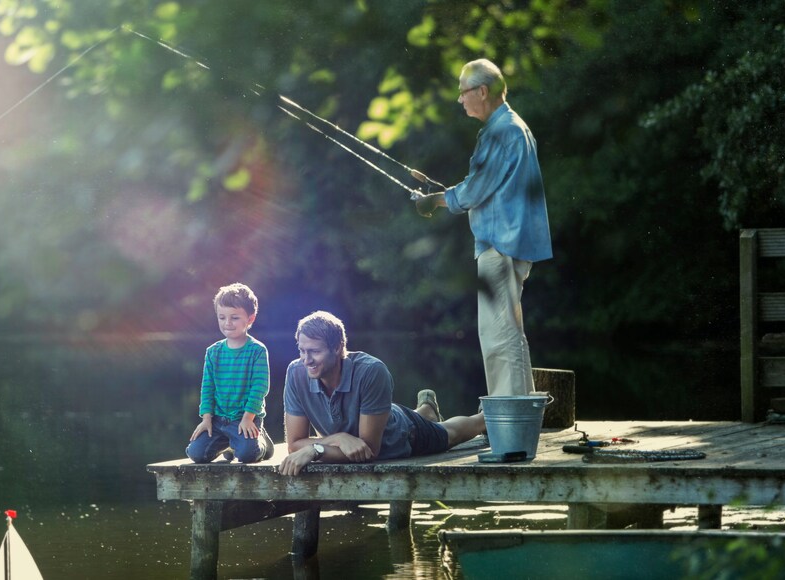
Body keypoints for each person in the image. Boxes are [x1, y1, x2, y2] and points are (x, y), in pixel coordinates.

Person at [413, 58, 552, 398]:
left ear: (482, 91)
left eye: (463, 92)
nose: (460, 100)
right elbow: (483, 184)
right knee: (506, 332)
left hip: (500, 245)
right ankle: (516, 419)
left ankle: (511, 424)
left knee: (499, 334)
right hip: (509, 242)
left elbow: (474, 191)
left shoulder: (502, 131)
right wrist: (444, 195)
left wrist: (433, 200)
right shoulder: (511, 127)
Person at [277, 311, 486, 476]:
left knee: (449, 434)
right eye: (302, 350)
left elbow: (368, 450)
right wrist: (341, 439)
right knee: (425, 420)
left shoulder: (372, 370)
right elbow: (295, 444)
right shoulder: (296, 373)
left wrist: (316, 449)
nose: (306, 360)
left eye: (315, 351)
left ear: (338, 348)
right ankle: (426, 411)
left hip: (401, 434)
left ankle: (484, 419)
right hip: (372, 420)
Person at [186, 283, 275, 463]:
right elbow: (207, 388)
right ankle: (229, 444)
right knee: (195, 453)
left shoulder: (257, 350)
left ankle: (261, 441)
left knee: (248, 455)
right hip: (218, 421)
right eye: (222, 317)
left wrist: (249, 418)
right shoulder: (213, 352)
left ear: (250, 319)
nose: (227, 323)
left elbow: (260, 387)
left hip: (245, 419)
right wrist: (206, 419)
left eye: (234, 317)